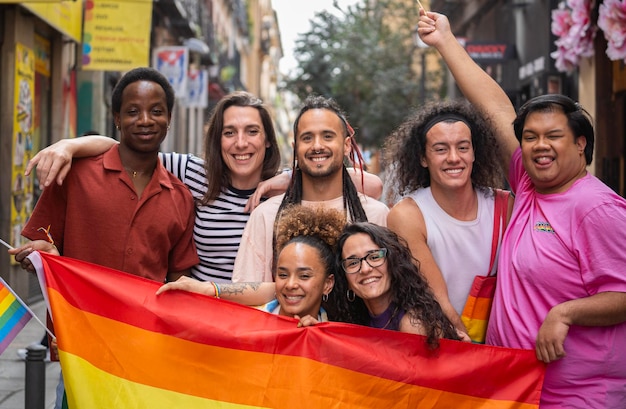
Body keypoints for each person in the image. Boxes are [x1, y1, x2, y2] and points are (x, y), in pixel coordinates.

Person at [419, 11, 626, 407]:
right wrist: (446, 41)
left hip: (577, 394)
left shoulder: (596, 207)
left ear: (581, 144)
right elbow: (495, 108)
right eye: (530, 137)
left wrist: (564, 313)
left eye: (554, 136)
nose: (539, 146)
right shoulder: (531, 184)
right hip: (518, 387)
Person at [27, 92, 383, 283]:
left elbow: (374, 185)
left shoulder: (287, 190)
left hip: (264, 318)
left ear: (269, 142)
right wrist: (69, 146)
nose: (240, 143)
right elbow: (127, 151)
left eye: (252, 132)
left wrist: (289, 177)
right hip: (202, 318)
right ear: (218, 140)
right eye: (230, 133)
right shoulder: (193, 174)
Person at [9, 67, 199, 409]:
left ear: (169, 118)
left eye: (156, 111)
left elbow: (178, 282)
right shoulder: (75, 174)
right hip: (81, 352)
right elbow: (44, 246)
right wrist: (43, 257)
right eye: (132, 111)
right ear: (116, 118)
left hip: (144, 357)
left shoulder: (181, 197)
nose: (145, 120)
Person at [384, 98, 512, 334]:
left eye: (463, 147)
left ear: (475, 153)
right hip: (445, 342)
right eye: (441, 149)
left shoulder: (506, 206)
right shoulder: (407, 215)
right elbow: (439, 303)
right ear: (423, 158)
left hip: (503, 344)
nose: (454, 158)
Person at [232, 95, 389, 283]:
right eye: (307, 138)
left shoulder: (376, 215)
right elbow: (248, 294)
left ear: (347, 145)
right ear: (295, 148)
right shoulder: (266, 217)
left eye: (327, 136)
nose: (317, 146)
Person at [158, 205, 346, 324]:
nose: (290, 284)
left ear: (328, 284)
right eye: (282, 274)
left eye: (304, 275)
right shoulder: (245, 323)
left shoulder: (336, 335)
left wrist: (318, 339)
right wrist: (209, 289)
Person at [331, 222, 461, 348]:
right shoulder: (356, 320)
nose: (365, 269)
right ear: (345, 279)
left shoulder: (413, 324)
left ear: (394, 263)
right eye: (353, 263)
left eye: (374, 257)